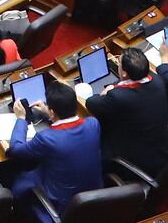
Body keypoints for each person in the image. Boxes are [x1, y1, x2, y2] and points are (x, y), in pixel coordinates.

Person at [7, 77, 103, 215]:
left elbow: (15, 150)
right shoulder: (93, 123)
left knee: (18, 180)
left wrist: (21, 119)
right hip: (95, 198)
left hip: (64, 206)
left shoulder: (46, 138)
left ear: (52, 111)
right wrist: (50, 114)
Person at [87, 46, 168, 179]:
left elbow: (91, 103)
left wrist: (107, 91)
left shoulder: (118, 97)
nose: (117, 64)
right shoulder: (157, 81)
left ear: (124, 73)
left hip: (134, 161)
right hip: (160, 150)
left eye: (118, 63)